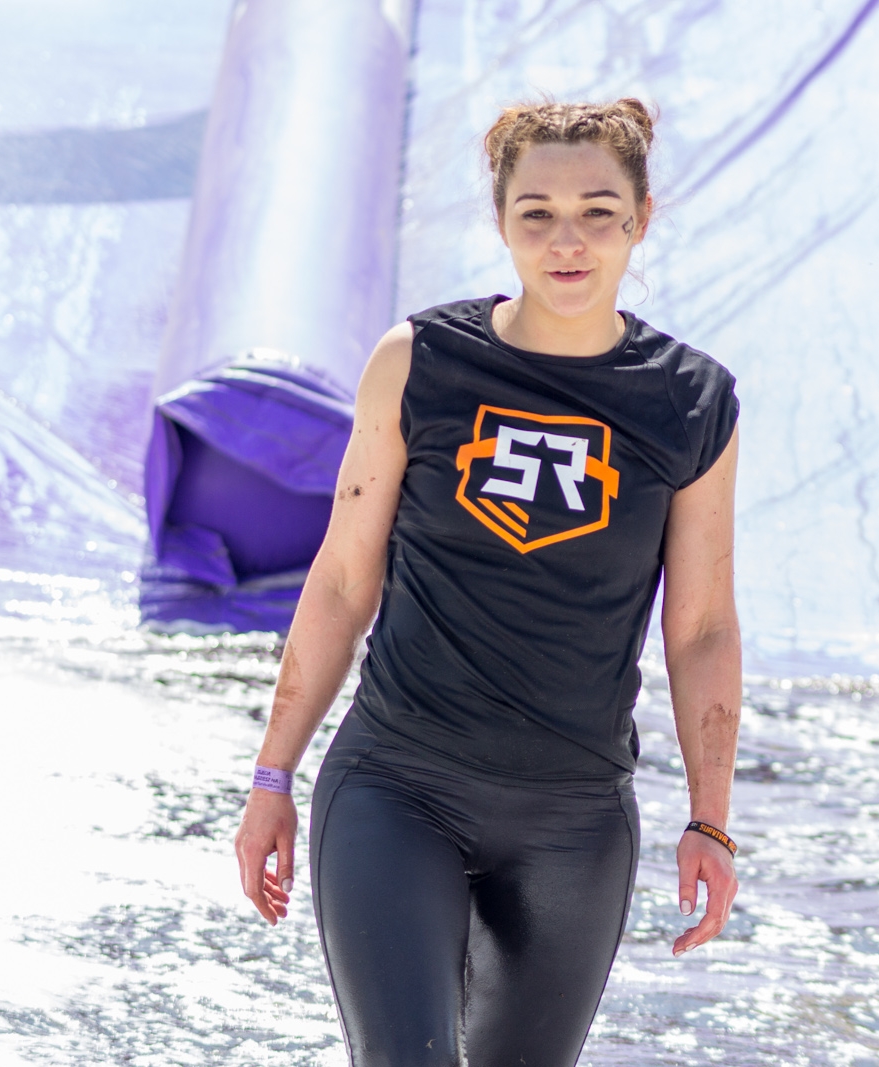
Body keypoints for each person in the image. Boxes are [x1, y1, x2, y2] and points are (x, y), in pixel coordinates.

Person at [233, 97, 742, 1067]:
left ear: (641, 217)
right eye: (536, 213)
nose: (567, 241)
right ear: (501, 221)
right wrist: (272, 776)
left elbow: (703, 627)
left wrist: (710, 817)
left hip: (574, 816)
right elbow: (341, 580)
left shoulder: (689, 400)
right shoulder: (420, 361)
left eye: (598, 212)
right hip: (398, 783)